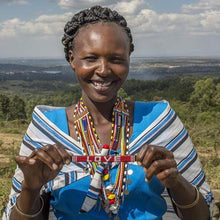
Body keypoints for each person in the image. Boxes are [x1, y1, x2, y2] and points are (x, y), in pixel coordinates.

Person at [3, 5, 214, 220]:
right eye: (91, 58)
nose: (103, 70)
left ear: (129, 58)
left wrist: (175, 182)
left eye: (116, 59)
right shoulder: (47, 129)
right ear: (72, 59)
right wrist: (31, 189)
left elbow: (202, 215)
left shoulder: (159, 120)